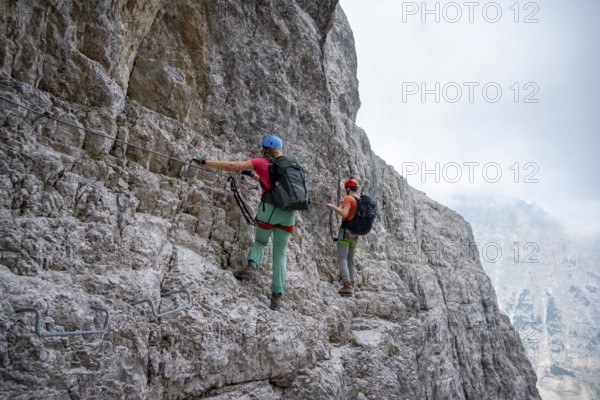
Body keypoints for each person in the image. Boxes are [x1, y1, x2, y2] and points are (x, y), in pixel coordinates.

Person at [193, 135, 296, 310]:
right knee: (280, 253)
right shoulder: (287, 166)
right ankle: (277, 297)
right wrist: (252, 175)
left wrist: (205, 161)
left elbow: (231, 166)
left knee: (261, 242)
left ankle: (250, 268)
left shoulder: (262, 162)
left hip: (269, 210)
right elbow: (271, 183)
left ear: (265, 148)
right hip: (289, 214)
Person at [327, 179, 360, 297]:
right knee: (350, 259)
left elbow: (344, 214)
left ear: (348, 188)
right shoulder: (357, 200)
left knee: (342, 258)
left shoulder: (348, 198)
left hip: (345, 232)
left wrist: (332, 207)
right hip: (355, 234)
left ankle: (347, 285)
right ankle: (352, 282)